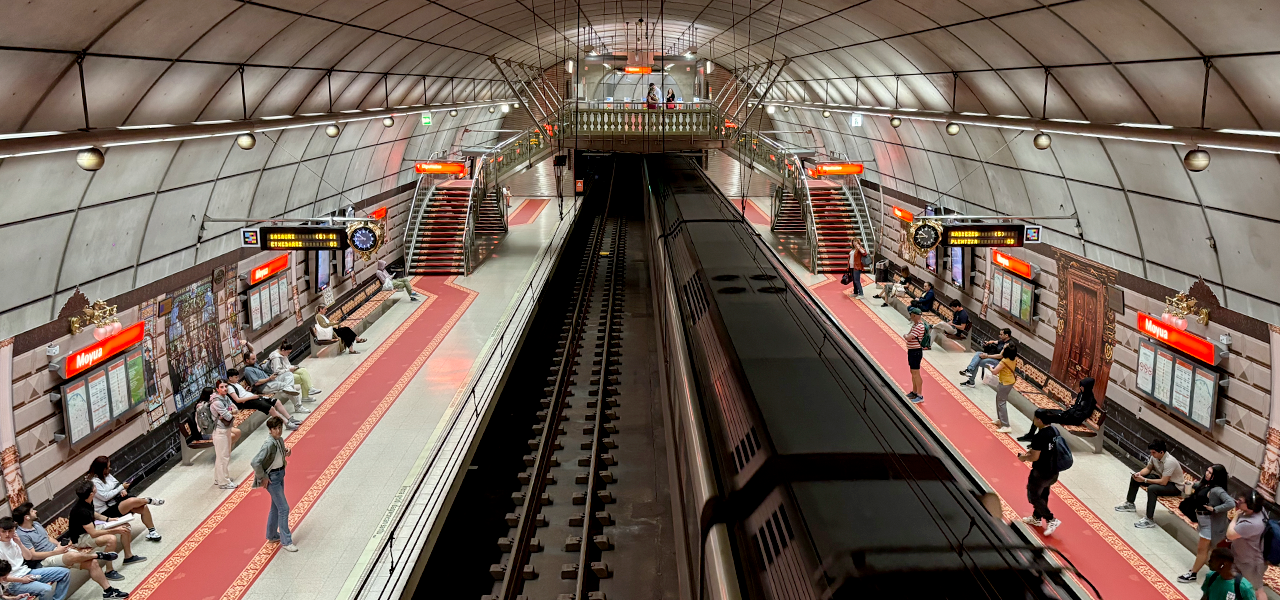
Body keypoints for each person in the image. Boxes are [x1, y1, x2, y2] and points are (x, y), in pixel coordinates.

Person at [12, 503, 127, 598]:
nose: (35, 511)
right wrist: (56, 552)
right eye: (32, 511)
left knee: (93, 563)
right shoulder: (21, 535)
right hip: (44, 561)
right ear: (26, 517)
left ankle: (109, 591)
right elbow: (33, 555)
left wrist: (59, 545)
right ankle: (98, 555)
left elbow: (48, 538)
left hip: (57, 551)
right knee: (71, 556)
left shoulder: (36, 524)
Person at [1179, 464, 1236, 583]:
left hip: (1210, 524)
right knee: (1209, 549)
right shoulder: (1207, 484)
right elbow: (1201, 488)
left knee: (1202, 549)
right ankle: (1223, 571)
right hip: (1203, 521)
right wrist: (1191, 484)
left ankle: (1193, 573)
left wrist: (1215, 509)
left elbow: (1231, 503)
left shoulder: (1218, 490)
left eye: (1210, 473)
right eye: (1207, 471)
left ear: (1216, 476)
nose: (1207, 473)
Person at [67, 483, 144, 569]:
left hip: (91, 529)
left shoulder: (86, 500)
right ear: (91, 494)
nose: (95, 486)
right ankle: (109, 570)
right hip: (81, 538)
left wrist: (108, 519)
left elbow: (93, 513)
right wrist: (115, 530)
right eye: (94, 487)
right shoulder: (81, 511)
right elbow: (93, 534)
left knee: (125, 526)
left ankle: (128, 557)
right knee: (111, 539)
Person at [1115, 438, 1186, 529]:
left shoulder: (1170, 462)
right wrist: (1139, 474)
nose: (1151, 454)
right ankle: (1130, 503)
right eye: (1151, 452)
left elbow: (1163, 482)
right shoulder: (1155, 456)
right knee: (1135, 478)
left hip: (1174, 486)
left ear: (1161, 452)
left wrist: (1144, 480)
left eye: (1153, 453)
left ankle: (1149, 519)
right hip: (1162, 479)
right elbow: (1148, 468)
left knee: (1152, 489)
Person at [87, 457, 162, 542]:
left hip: (116, 502)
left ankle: (152, 532)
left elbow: (117, 485)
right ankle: (148, 500)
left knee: (143, 507)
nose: (109, 469)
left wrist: (122, 490)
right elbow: (105, 496)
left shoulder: (107, 475)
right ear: (102, 469)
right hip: (106, 511)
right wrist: (121, 487)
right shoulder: (94, 482)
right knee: (131, 501)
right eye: (107, 467)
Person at [253, 417, 297, 553]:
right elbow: (255, 462)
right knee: (284, 508)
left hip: (279, 474)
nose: (278, 431)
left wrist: (286, 452)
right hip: (272, 478)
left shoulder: (279, 440)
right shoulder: (269, 444)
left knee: (276, 507)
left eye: (279, 428)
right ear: (270, 430)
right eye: (275, 429)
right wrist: (263, 477)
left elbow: (277, 455)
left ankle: (272, 535)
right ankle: (286, 541)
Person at [0, 518, 71, 600]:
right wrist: (21, 580)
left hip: (27, 572)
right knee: (46, 589)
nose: (7, 534)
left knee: (64, 573)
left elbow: (28, 557)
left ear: (14, 530)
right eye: (3, 531)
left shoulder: (15, 541)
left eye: (10, 531)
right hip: (13, 583)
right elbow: (2, 576)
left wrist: (19, 543)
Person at [1017, 377, 1098, 443]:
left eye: (1082, 386)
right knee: (1039, 411)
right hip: (1067, 414)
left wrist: (1071, 411)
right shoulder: (1081, 394)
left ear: (1088, 387)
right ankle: (1030, 435)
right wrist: (1071, 407)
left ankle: (1038, 441)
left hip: (1073, 419)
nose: (1080, 387)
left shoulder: (1090, 400)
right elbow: (1077, 405)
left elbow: (1083, 415)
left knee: (1045, 417)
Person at [1018, 413, 1062, 536]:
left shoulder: (1039, 436)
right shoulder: (1054, 431)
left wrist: (1023, 458)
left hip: (1041, 472)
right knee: (1043, 493)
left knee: (1034, 496)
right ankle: (1036, 518)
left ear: (1039, 420)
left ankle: (1051, 519)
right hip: (1053, 470)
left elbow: (1034, 457)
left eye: (1034, 418)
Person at [225, 369, 300, 431]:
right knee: (271, 408)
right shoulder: (230, 387)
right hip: (248, 402)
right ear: (230, 378)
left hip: (253, 397)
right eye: (236, 377)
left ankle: (289, 418)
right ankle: (286, 423)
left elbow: (243, 393)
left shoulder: (236, 384)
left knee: (277, 402)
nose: (237, 379)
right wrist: (252, 397)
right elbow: (238, 400)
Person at [1227, 491, 1268, 600]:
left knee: (1256, 591)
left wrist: (1235, 517)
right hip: (1242, 558)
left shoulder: (1252, 523)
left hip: (1251, 563)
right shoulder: (1259, 510)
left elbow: (1230, 534)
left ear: (1250, 505)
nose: (1237, 502)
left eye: (1241, 501)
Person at [268, 342, 321, 408]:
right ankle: (306, 395)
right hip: (281, 376)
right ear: (283, 350)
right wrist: (289, 369)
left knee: (303, 370)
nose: (288, 354)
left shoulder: (283, 354)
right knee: (302, 378)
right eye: (288, 352)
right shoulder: (276, 358)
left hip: (287, 371)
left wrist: (294, 367)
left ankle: (310, 388)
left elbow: (288, 365)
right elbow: (277, 372)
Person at [209, 381, 241, 490]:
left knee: (222, 456)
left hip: (226, 429)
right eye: (221, 387)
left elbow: (236, 409)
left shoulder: (226, 398)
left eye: (226, 386)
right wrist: (230, 412)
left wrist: (229, 412)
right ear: (217, 389)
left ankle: (219, 478)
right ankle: (224, 482)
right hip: (220, 432)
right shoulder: (217, 402)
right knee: (223, 457)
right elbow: (228, 416)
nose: (224, 389)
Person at [989, 345, 1017, 433]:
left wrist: (990, 368)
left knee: (1001, 403)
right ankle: (1000, 419)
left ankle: (1006, 425)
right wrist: (1005, 348)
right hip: (1009, 381)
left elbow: (994, 372)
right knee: (999, 399)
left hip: (1005, 383)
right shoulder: (1013, 358)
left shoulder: (1004, 361)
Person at [904, 308, 926, 403]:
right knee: (913, 372)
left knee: (916, 373)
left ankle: (920, 395)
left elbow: (908, 337)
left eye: (912, 315)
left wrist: (905, 336)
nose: (911, 317)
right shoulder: (915, 325)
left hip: (916, 352)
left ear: (914, 315)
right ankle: (914, 391)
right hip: (912, 351)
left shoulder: (919, 326)